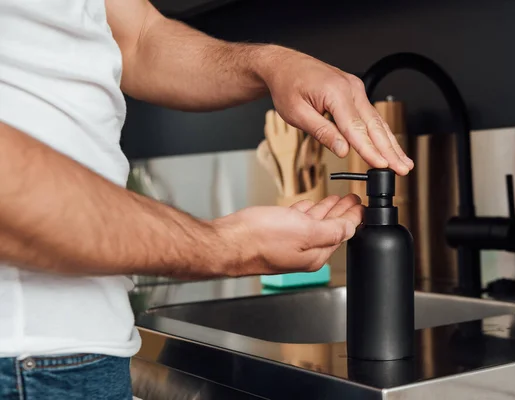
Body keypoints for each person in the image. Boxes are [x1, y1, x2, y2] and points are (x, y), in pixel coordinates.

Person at [0, 0, 414, 398]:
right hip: (22, 356)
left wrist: (271, 64)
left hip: (87, 347)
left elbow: (138, 38)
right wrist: (231, 245)